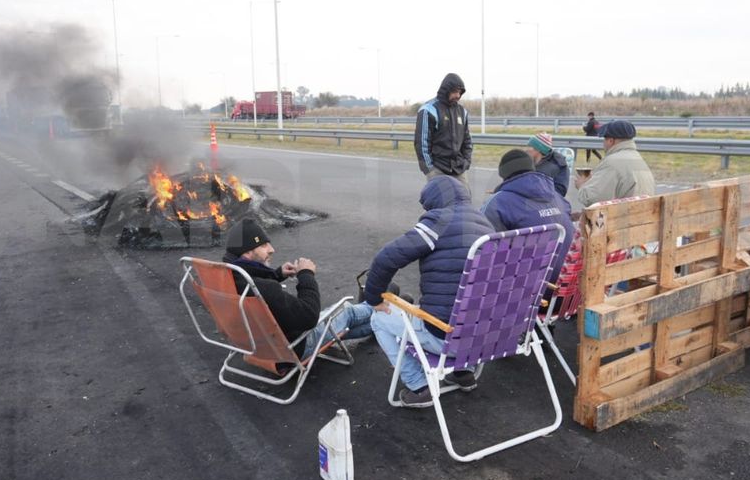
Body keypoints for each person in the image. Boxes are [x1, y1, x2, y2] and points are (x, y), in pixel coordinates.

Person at [362, 176, 494, 408]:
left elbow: (386, 259)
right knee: (467, 302)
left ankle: (419, 386)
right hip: (486, 337)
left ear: (433, 202)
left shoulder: (439, 220)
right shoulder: (486, 224)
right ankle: (464, 372)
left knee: (379, 318)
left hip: (444, 335)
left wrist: (374, 299)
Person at [223, 219, 372, 359]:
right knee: (347, 311)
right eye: (263, 245)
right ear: (247, 253)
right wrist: (306, 275)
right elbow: (309, 317)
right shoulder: (267, 289)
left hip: (258, 346)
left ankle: (383, 322)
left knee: (344, 325)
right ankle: (386, 305)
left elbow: (257, 285)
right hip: (294, 347)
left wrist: (277, 274)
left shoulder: (227, 278)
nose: (272, 249)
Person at [481, 149, 575, 284]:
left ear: (504, 174)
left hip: (524, 293)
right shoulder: (556, 195)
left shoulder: (498, 202)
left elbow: (482, 249)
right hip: (563, 285)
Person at [570, 120, 656, 212]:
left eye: (604, 139)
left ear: (611, 141)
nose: (603, 144)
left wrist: (582, 186)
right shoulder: (637, 158)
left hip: (623, 220)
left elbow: (593, 199)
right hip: (641, 216)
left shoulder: (612, 162)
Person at [414, 73, 473, 184]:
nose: (458, 96)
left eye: (460, 92)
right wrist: (430, 170)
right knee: (440, 201)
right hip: (438, 169)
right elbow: (422, 142)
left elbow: (467, 140)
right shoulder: (428, 109)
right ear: (447, 90)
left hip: (459, 169)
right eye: (455, 91)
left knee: (464, 199)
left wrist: (467, 161)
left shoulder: (462, 111)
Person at [524, 132, 570, 197]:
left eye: (529, 146)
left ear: (538, 150)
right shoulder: (524, 161)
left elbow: (560, 192)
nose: (526, 150)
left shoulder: (558, 165)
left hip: (545, 203)